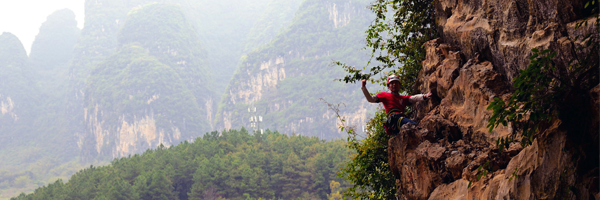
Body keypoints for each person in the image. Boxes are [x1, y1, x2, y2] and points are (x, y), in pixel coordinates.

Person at [361, 75, 432, 135]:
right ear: (388, 87)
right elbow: (371, 99)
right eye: (392, 83)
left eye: (396, 83)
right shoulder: (385, 95)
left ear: (399, 85)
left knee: (410, 128)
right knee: (413, 125)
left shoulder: (403, 98)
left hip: (399, 119)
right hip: (394, 119)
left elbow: (413, 98)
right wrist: (364, 87)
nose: (394, 84)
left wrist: (425, 96)